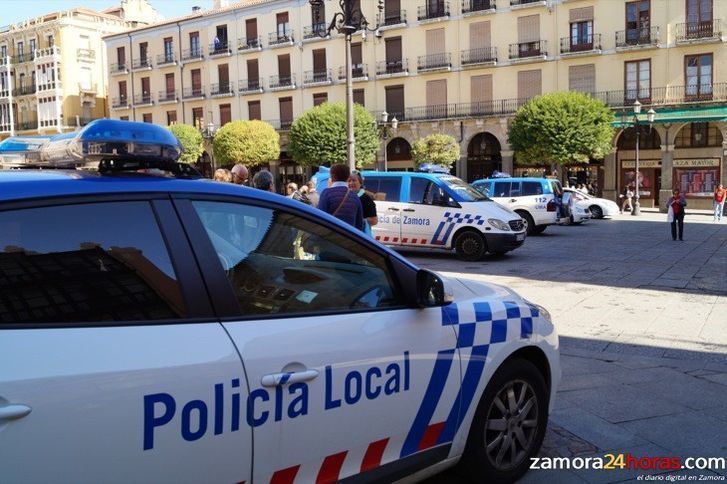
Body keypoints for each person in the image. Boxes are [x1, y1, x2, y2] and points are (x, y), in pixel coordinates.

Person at [318, 163, 364, 231]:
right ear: (348, 176)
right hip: (349, 238)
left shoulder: (326, 193)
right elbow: (359, 224)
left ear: (332, 176)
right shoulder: (354, 197)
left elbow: (320, 218)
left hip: (329, 237)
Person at [348, 170, 378, 236]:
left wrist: (358, 220)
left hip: (362, 236)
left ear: (360, 183)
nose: (351, 183)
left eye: (354, 180)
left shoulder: (366, 199)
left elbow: (374, 220)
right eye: (349, 181)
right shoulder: (346, 197)